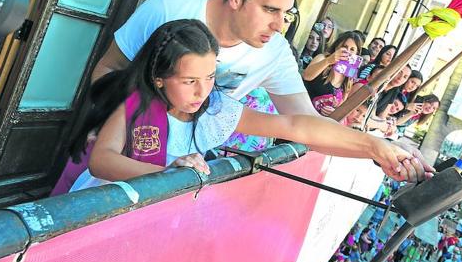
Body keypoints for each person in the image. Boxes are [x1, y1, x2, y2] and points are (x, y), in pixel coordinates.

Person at [91, 0, 432, 179]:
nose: (279, 24)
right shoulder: (170, 8)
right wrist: (122, 132)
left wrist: (377, 148)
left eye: (286, 12)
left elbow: (301, 125)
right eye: (270, 9)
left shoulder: (266, 62)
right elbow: (107, 69)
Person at [70, 20, 434, 190]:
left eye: (210, 77)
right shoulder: (137, 104)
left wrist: (376, 149)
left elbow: (296, 126)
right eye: (189, 81)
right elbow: (102, 160)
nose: (202, 91)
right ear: (159, 78)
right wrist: (167, 173)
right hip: (100, 205)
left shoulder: (213, 110)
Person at [302, 31, 362, 117]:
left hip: (318, 122)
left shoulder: (349, 76)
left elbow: (341, 105)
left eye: (352, 49)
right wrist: (329, 60)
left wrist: (333, 112)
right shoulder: (322, 58)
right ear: (337, 46)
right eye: (345, 47)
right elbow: (306, 76)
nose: (348, 52)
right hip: (301, 110)